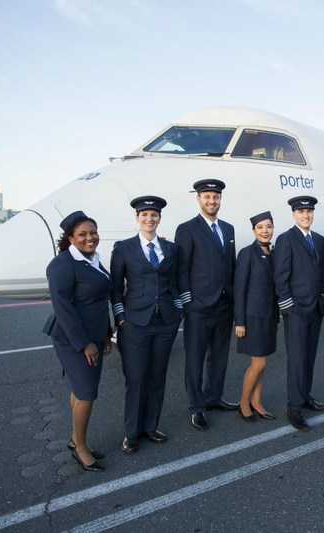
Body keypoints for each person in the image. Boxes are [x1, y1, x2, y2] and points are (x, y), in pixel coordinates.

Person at [110, 196, 183, 454]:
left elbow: (174, 282)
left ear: (159, 218)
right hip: (135, 323)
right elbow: (115, 287)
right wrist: (121, 318)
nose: (149, 219)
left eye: (154, 215)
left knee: (157, 376)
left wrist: (178, 310)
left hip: (165, 322)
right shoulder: (124, 248)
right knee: (136, 378)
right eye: (144, 215)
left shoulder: (171, 249)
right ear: (137, 218)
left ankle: (151, 426)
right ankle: (131, 432)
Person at [44, 210, 112, 472]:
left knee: (80, 389)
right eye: (82, 234)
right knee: (86, 393)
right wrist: (84, 343)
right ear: (71, 238)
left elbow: (98, 302)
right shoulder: (63, 264)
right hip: (72, 337)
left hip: (93, 333)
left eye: (93, 232)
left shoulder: (91, 259)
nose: (89, 237)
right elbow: (63, 308)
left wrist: (105, 334)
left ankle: (77, 440)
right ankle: (80, 448)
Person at [175, 179, 238, 431]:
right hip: (199, 306)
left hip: (224, 305)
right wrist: (188, 302)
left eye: (216, 197)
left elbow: (231, 266)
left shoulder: (228, 229)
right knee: (195, 359)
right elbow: (182, 269)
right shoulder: (187, 229)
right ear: (198, 199)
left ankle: (213, 397)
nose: (212, 201)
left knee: (219, 356)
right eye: (207, 197)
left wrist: (234, 299)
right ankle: (197, 406)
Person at [274, 195, 324, 430]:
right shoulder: (286, 239)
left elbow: (322, 272)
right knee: (297, 359)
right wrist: (287, 306)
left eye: (309, 211)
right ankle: (293, 407)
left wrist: (323, 297)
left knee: (309, 356)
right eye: (301, 212)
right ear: (294, 214)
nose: (306, 215)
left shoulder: (318, 240)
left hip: (315, 308)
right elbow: (281, 276)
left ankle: (305, 396)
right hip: (296, 310)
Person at [234, 211, 278, 422]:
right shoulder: (247, 254)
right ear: (253, 230)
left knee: (263, 362)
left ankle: (256, 401)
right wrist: (240, 322)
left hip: (268, 317)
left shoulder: (273, 253)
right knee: (258, 363)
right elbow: (239, 289)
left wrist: (276, 319)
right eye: (260, 227)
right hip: (252, 318)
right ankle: (244, 403)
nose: (265, 231)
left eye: (268, 226)